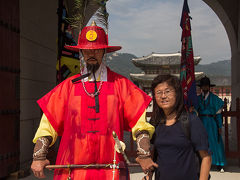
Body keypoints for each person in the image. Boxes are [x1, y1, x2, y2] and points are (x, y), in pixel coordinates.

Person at [30, 21, 157, 180]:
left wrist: (144, 154)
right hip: (71, 168)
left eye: (97, 50)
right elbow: (47, 126)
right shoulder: (68, 87)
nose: (92, 54)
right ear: (81, 52)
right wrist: (38, 156)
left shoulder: (120, 85)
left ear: (104, 51)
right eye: (88, 50)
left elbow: (140, 124)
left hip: (110, 168)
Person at [142, 74, 211, 180]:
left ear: (177, 94)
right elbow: (155, 154)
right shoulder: (155, 122)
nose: (163, 96)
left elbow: (206, 157)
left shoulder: (191, 121)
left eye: (168, 91)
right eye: (158, 92)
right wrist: (148, 175)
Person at [197, 76, 226, 172]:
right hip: (201, 122)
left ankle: (219, 163)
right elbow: (194, 112)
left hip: (211, 123)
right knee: (201, 143)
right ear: (201, 87)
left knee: (215, 142)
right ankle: (202, 162)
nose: (205, 88)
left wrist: (219, 125)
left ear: (209, 87)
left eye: (206, 86)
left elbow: (218, 114)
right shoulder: (197, 99)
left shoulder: (215, 99)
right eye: (203, 86)